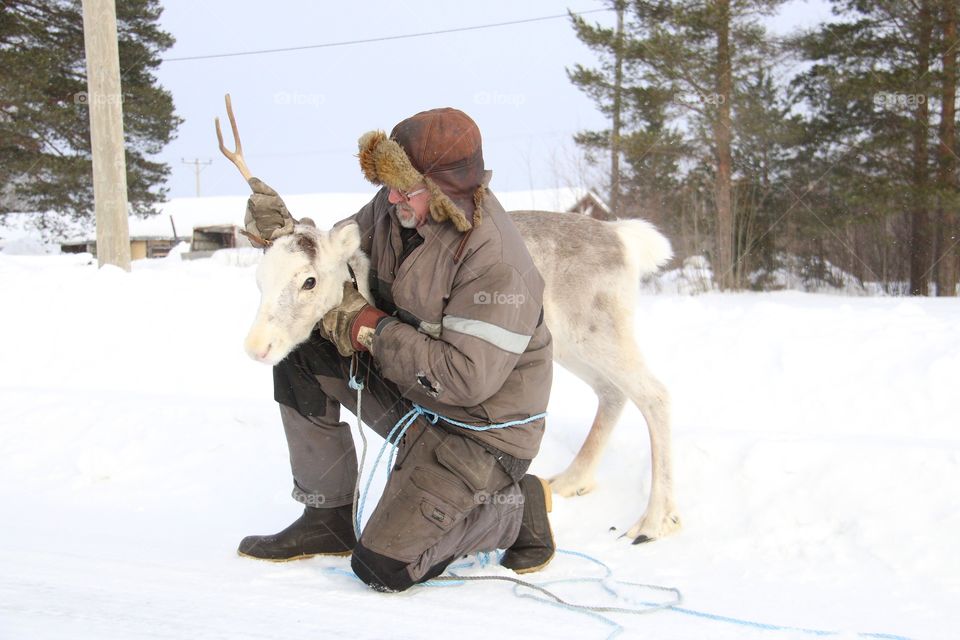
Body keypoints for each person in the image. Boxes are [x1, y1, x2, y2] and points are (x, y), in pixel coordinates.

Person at [237, 108, 556, 592]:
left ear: (447, 189)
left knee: (383, 567)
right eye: (389, 185)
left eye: (405, 189)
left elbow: (466, 380)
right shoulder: (395, 208)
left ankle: (516, 512)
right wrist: (287, 236)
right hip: (414, 394)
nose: (390, 199)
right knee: (303, 352)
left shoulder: (496, 263)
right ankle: (327, 516)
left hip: (480, 433)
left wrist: (368, 326)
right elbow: (333, 253)